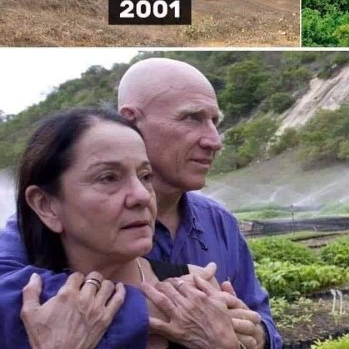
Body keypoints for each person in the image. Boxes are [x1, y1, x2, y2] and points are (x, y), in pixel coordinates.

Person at [0, 58, 281, 349]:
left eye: (215, 121)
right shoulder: (33, 231)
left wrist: (253, 336)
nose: (214, 140)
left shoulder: (220, 223)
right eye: (192, 118)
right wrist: (159, 307)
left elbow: (259, 320)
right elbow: (10, 296)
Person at [16, 106, 241, 349]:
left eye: (146, 177)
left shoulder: (198, 289)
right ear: (45, 205)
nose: (142, 196)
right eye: (109, 178)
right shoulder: (25, 310)